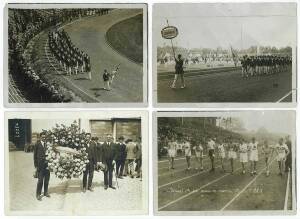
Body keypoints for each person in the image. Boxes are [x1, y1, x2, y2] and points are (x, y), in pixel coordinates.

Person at [33, 132, 50, 201]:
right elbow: (34, 155)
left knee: (47, 180)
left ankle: (45, 192)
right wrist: (36, 166)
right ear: (40, 137)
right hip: (40, 165)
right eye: (42, 137)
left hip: (47, 165)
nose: (44, 138)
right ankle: (38, 194)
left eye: (45, 137)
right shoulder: (37, 144)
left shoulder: (47, 144)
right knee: (40, 181)